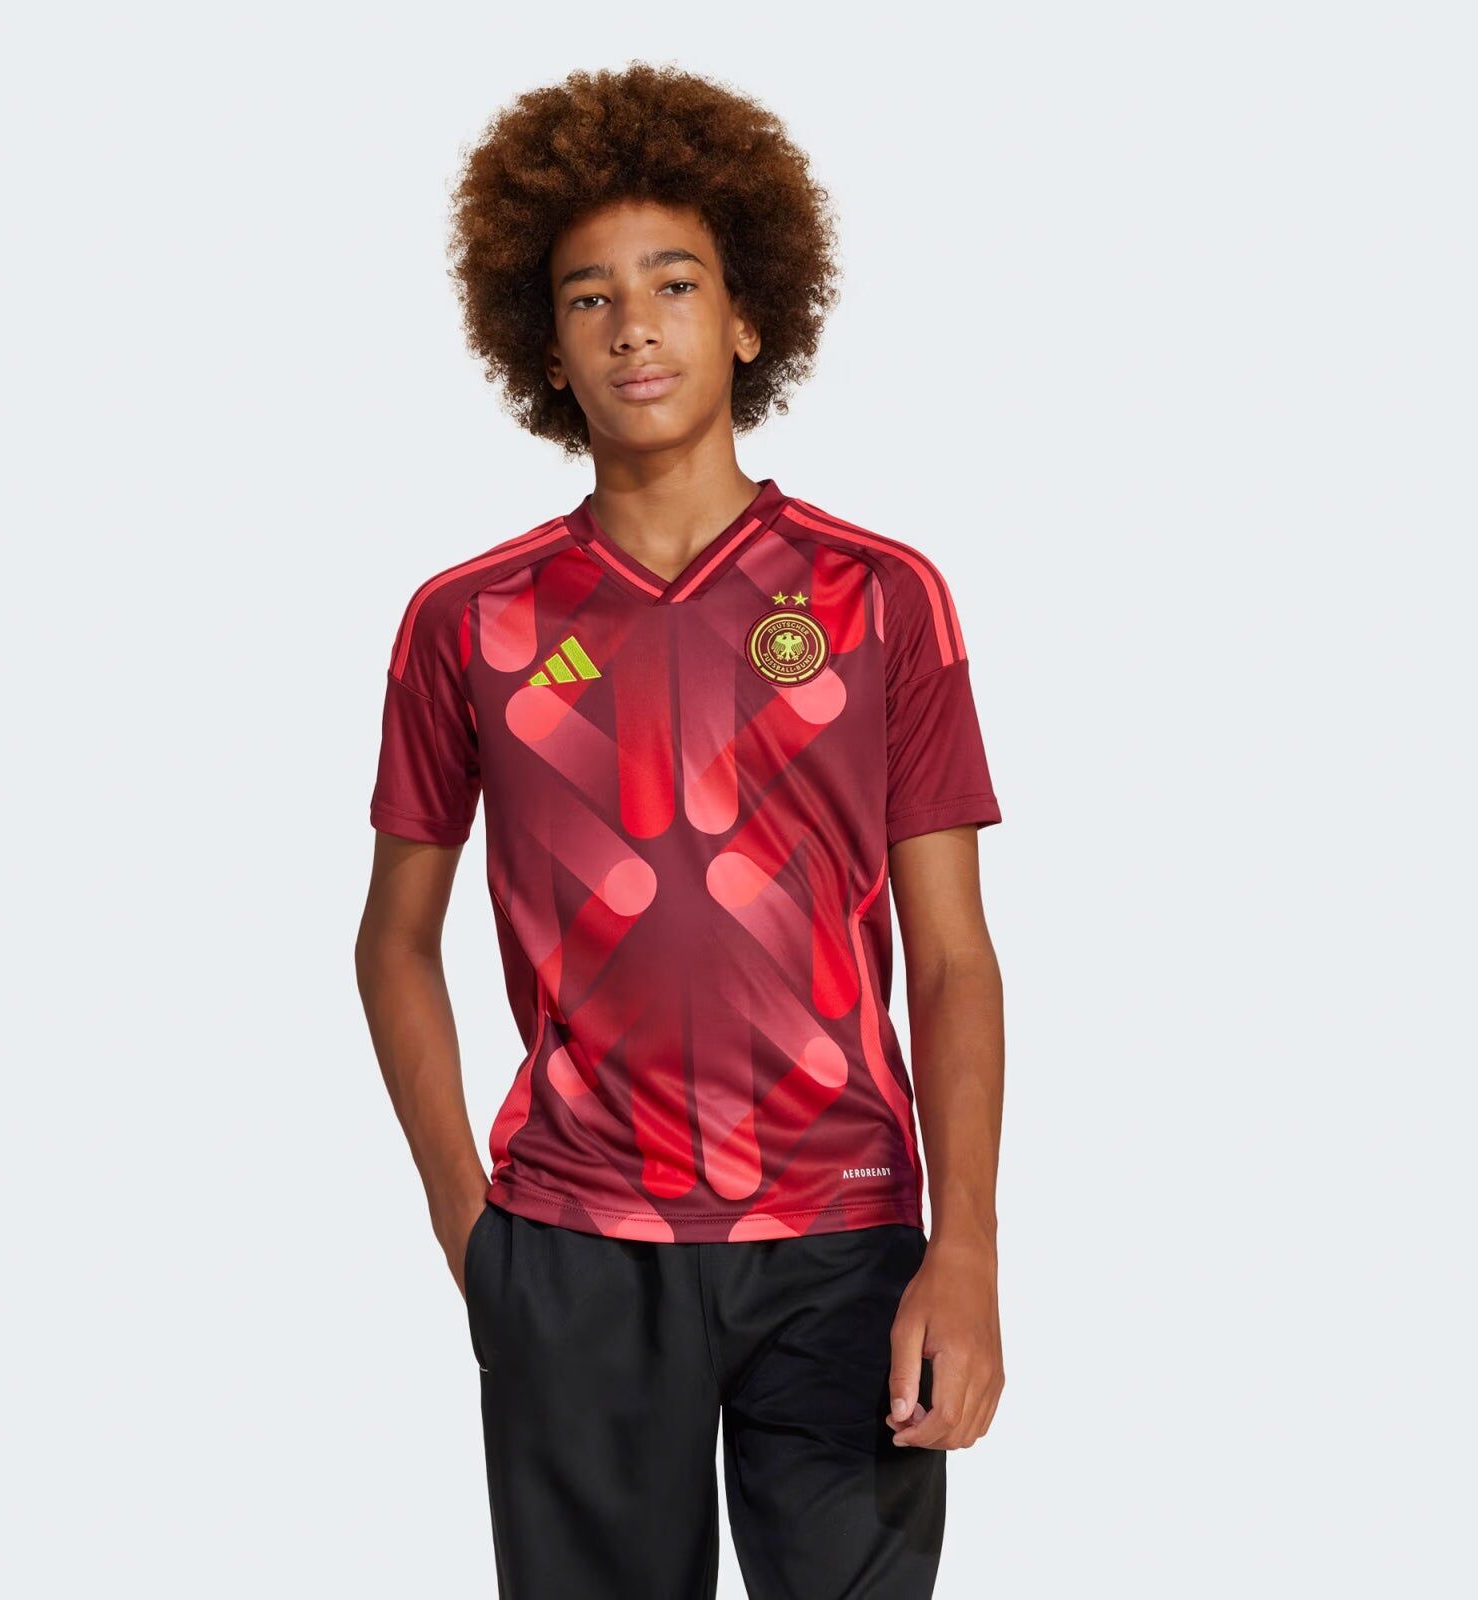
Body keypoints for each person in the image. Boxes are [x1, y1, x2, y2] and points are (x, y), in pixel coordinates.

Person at [355, 61, 1006, 1600]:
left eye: (673, 282)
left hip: (845, 1240)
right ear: (546, 346)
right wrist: (472, 1231)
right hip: (573, 1249)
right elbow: (392, 942)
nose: (632, 324)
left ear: (748, 315)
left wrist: (966, 1246)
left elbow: (954, 956)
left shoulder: (878, 596)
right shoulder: (468, 622)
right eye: (588, 297)